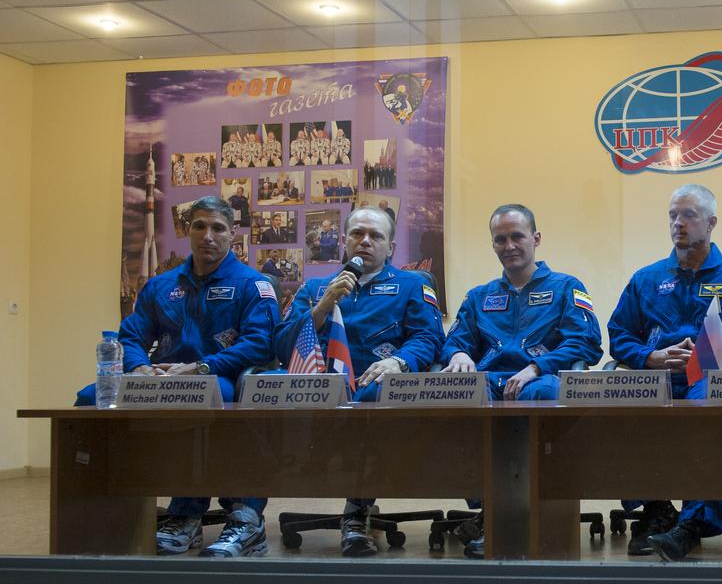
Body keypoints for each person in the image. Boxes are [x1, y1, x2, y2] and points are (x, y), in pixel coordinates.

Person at [76, 196, 279, 557]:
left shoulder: (253, 284)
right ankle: (101, 502)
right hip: (158, 378)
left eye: (218, 228)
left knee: (199, 396)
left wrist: (201, 367)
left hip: (218, 377)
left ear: (233, 234)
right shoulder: (161, 286)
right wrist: (139, 367)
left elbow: (260, 344)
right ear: (188, 230)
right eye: (199, 226)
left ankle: (186, 514)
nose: (208, 235)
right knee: (91, 397)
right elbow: (132, 335)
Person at [608, 184, 722, 560]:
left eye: (688, 215)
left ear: (711, 222)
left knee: (707, 412)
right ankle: (656, 509)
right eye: (672, 215)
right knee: (626, 402)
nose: (678, 223)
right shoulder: (647, 279)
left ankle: (692, 524)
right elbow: (618, 335)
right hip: (660, 376)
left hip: (714, 378)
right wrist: (647, 357)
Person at [273, 207, 445, 556]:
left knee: (372, 395)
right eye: (357, 234)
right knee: (261, 386)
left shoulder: (412, 285)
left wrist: (399, 361)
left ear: (391, 246)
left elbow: (429, 338)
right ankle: (244, 514)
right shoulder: (316, 287)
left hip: (377, 386)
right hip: (320, 385)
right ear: (343, 240)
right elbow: (281, 346)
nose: (365, 241)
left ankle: (357, 511)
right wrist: (323, 305)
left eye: (376, 236)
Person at [442, 203, 604, 557]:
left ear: (536, 238)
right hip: (491, 382)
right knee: (458, 392)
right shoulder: (480, 296)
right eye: (500, 239)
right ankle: (491, 508)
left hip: (540, 380)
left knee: (543, 393)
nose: (509, 246)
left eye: (517, 236)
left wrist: (536, 367)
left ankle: (532, 509)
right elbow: (456, 340)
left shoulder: (566, 287)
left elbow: (587, 343)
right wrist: (458, 355)